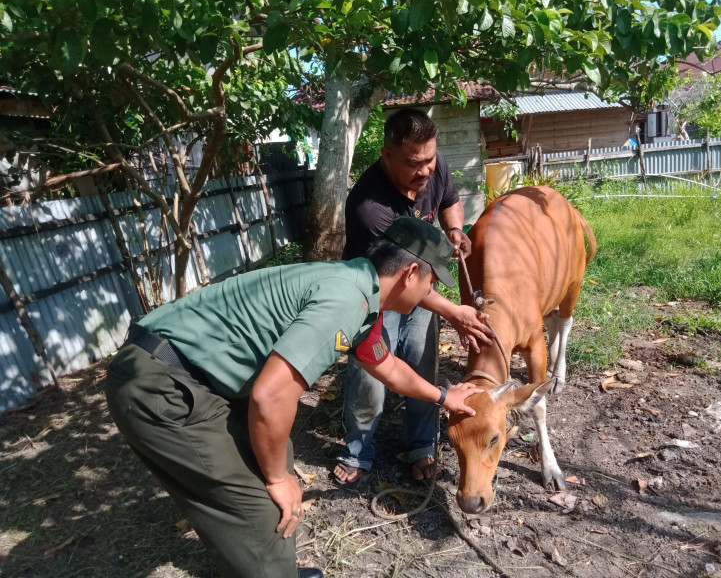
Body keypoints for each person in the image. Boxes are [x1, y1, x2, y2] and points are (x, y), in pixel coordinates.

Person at [105, 217, 483, 578]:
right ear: (409, 273)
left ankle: (268, 569)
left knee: (275, 458)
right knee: (256, 503)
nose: (429, 295)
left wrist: (443, 396)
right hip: (161, 383)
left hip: (190, 373)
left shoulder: (357, 286)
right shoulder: (347, 300)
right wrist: (275, 479)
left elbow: (388, 369)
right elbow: (271, 396)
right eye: (432, 283)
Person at [334, 109, 494, 485]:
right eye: (413, 163)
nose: (425, 172)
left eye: (429, 160)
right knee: (371, 372)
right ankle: (357, 450)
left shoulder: (432, 166)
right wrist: (455, 312)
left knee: (423, 364)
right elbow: (398, 285)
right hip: (377, 293)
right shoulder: (368, 208)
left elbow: (450, 198)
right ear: (387, 154)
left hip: (422, 284)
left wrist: (454, 229)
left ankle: (421, 446)